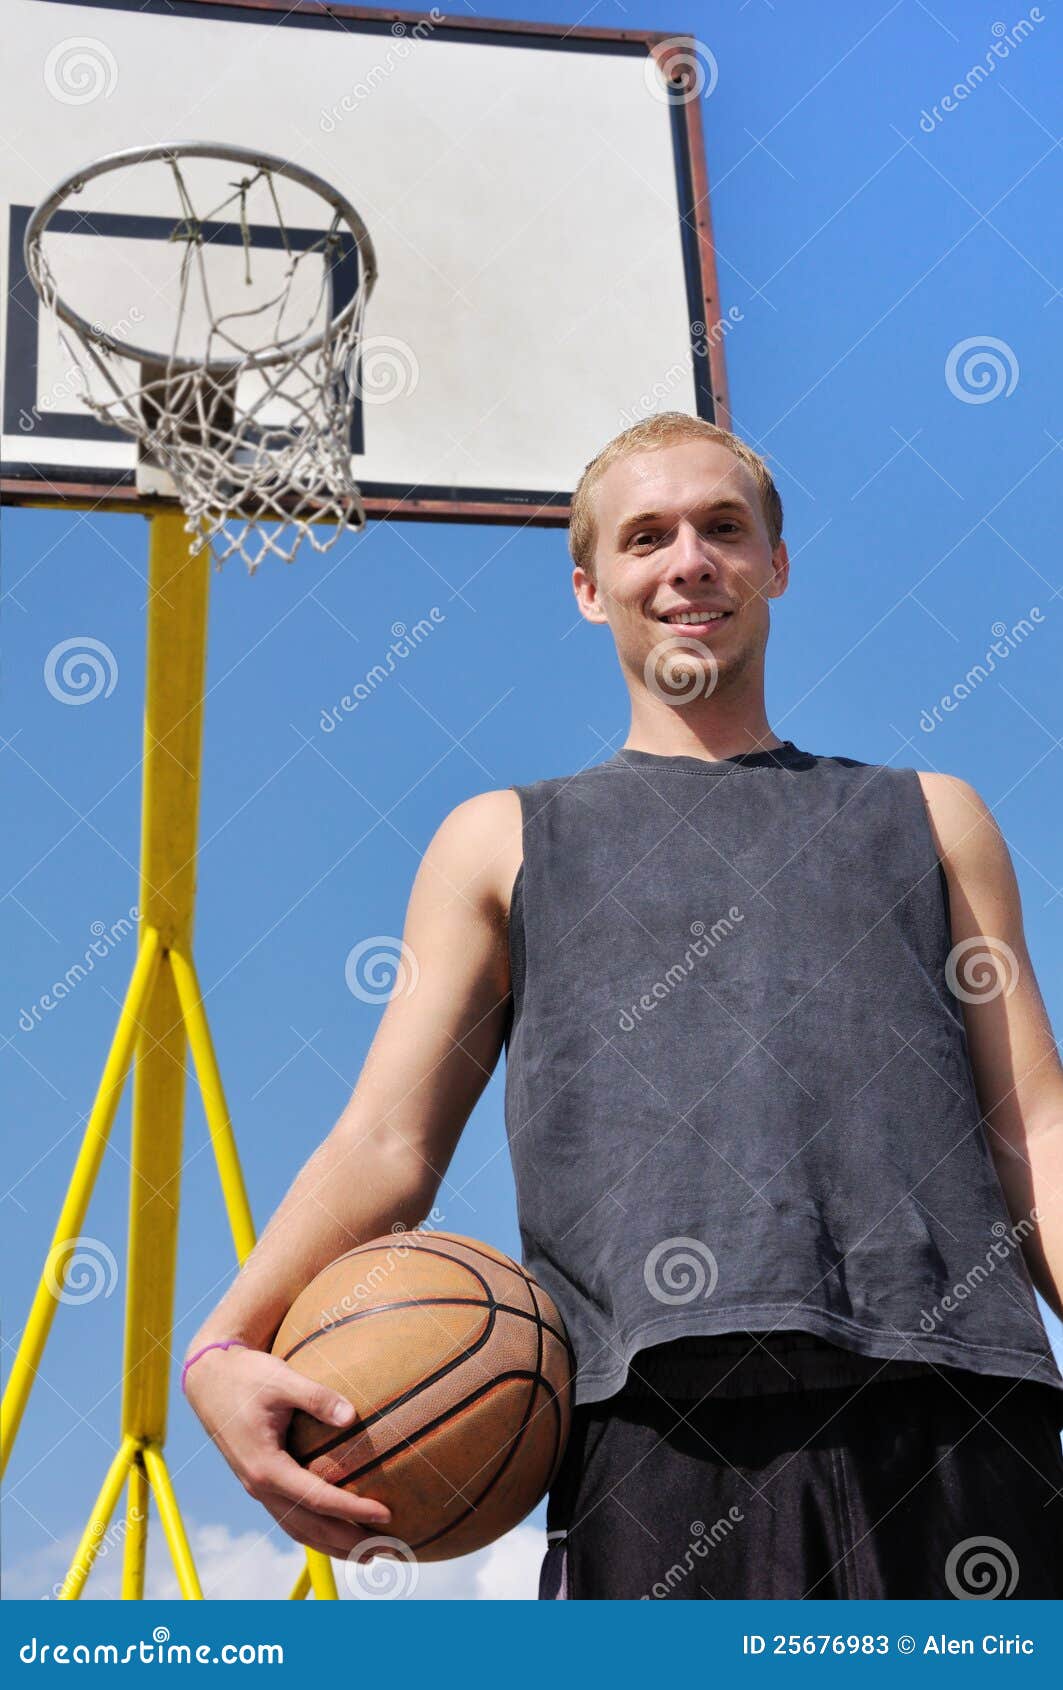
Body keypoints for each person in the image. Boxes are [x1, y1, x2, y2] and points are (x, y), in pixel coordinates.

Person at [185, 412, 1063, 1599]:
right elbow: (386, 1143)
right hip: (647, 1430)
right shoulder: (502, 840)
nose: (688, 560)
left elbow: (1038, 1130)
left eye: (723, 528)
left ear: (775, 567)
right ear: (591, 587)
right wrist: (225, 1344)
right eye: (646, 537)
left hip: (956, 1409)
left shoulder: (930, 815)